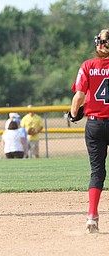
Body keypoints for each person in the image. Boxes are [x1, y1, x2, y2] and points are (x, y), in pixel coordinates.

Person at [69, 28, 109, 233]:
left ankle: (92, 217)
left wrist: (73, 114)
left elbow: (78, 98)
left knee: (97, 171)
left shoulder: (88, 65)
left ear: (99, 44)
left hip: (95, 124)